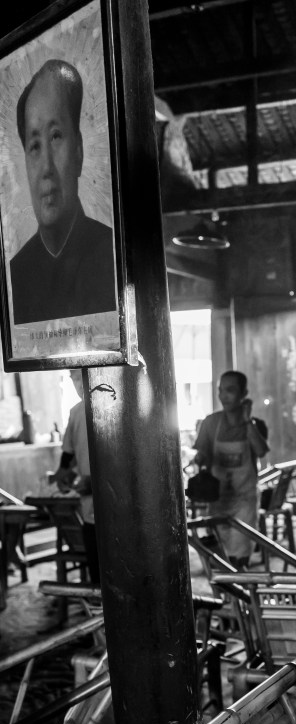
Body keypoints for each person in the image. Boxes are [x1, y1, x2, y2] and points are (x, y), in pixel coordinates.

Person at [10, 59, 117, 325]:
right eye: (35, 146)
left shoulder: (113, 255)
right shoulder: (16, 274)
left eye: (56, 136)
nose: (46, 168)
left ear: (78, 150)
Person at [193, 370, 269, 568]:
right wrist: (200, 458)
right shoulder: (211, 422)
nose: (223, 396)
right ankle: (227, 588)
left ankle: (240, 585)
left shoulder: (256, 425)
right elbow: (202, 453)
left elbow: (261, 450)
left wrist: (247, 420)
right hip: (218, 499)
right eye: (220, 390)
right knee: (219, 557)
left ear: (244, 394)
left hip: (245, 500)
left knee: (240, 556)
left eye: (230, 390)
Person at [54, 369, 99, 584]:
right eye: (73, 378)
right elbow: (69, 455)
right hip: (90, 511)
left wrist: (97, 482)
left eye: (79, 376)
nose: (78, 383)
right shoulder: (76, 412)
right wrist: (62, 476)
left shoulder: (114, 408)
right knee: (97, 572)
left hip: (117, 508)